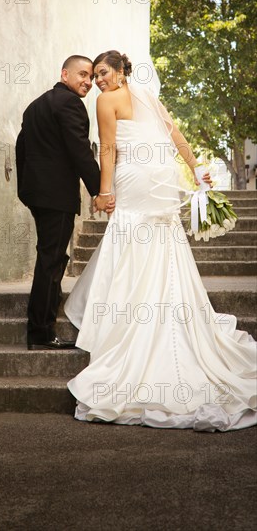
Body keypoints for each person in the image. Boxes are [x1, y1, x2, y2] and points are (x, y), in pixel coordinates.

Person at [65, 50, 257, 432]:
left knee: (131, 237)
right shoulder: (150, 98)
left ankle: (127, 315)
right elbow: (176, 134)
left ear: (121, 72)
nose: (99, 81)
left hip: (135, 180)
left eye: (103, 72)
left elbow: (108, 148)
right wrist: (196, 170)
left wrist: (104, 194)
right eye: (96, 75)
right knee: (160, 245)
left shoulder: (106, 101)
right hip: (158, 182)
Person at [16, 55, 114, 350]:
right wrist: (101, 191)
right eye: (82, 75)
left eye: (90, 77)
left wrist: (27, 190)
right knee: (52, 260)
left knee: (50, 257)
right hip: (56, 196)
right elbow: (80, 152)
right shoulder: (71, 104)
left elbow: (22, 148)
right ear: (65, 74)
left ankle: (40, 327)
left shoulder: (36, 105)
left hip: (37, 195)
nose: (87, 81)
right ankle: (41, 332)